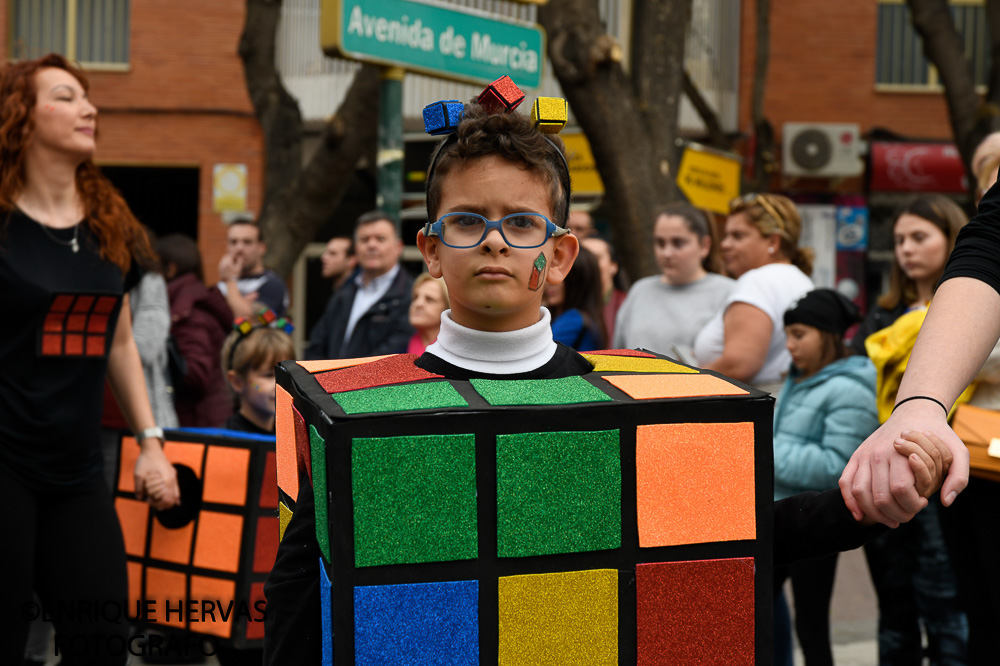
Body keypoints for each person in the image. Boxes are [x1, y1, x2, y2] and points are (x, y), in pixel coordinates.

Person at [263, 89, 953, 664]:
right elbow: (300, 596)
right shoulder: (359, 416)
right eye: (468, 222)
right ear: (432, 252)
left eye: (523, 223)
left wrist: (863, 502)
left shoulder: (644, 401)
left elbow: (728, 534)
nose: (496, 239)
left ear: (561, 256)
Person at [0, 53, 179, 663]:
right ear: (20, 116)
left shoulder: (111, 225)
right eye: (67, 96)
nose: (89, 108)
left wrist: (151, 442)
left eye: (88, 97)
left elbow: (120, 342)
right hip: (3, 462)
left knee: (102, 638)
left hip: (76, 470)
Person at [847, 195, 971, 665]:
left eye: (920, 237)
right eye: (899, 240)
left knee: (945, 598)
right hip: (887, 463)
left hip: (951, 475)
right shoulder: (881, 314)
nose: (906, 249)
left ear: (954, 238)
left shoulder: (971, 316)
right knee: (893, 596)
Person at [771, 289, 879, 666]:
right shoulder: (798, 378)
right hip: (781, 512)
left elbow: (837, 464)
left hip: (818, 519)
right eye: (787, 335)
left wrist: (762, 453)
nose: (789, 345)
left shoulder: (850, 388)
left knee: (812, 625)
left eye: (799, 334)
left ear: (829, 334)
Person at [692, 193, 815, 395]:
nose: (724, 244)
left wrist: (685, 382)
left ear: (773, 242)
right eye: (726, 235)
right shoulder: (801, 281)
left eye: (737, 236)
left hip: (750, 415)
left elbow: (739, 365)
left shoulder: (757, 281)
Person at [614, 203, 734, 361]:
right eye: (660, 243)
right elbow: (616, 352)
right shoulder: (640, 290)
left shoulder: (728, 292)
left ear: (704, 245)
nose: (666, 253)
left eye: (678, 243)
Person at [306, 210, 414, 359]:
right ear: (356, 248)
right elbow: (317, 345)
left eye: (380, 239)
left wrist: (348, 379)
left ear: (398, 247)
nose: (371, 245)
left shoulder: (412, 296)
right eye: (364, 239)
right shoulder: (343, 295)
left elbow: (396, 353)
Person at [158, 233, 234, 427]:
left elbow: (196, 374)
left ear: (170, 269)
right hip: (205, 418)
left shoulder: (188, 312)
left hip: (199, 423)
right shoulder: (187, 301)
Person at [217, 217, 289, 319]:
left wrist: (230, 280)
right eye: (233, 242)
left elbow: (247, 320)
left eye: (247, 242)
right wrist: (241, 303)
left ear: (261, 248)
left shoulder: (273, 284)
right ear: (227, 246)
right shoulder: (220, 286)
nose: (239, 248)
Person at [545, 245, 607, 351]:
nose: (551, 281)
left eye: (562, 276)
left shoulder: (574, 319)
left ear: (578, 281)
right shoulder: (586, 318)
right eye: (549, 273)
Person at [580, 235, 629, 343]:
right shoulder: (563, 304)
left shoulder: (626, 305)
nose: (590, 264)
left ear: (613, 266)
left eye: (596, 258)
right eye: (584, 258)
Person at [407, 274, 449, 355]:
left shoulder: (452, 350)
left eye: (429, 299)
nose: (418, 304)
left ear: (447, 307)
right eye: (415, 297)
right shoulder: (409, 342)